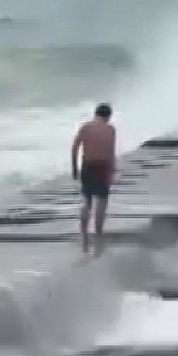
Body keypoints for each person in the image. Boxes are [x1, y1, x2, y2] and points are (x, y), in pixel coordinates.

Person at [71, 103, 116, 255]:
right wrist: (112, 171)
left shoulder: (85, 127)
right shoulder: (110, 129)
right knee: (102, 203)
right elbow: (111, 152)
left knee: (87, 201)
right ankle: (98, 235)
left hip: (88, 166)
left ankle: (84, 238)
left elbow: (75, 147)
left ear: (96, 114)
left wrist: (74, 168)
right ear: (108, 116)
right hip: (103, 167)